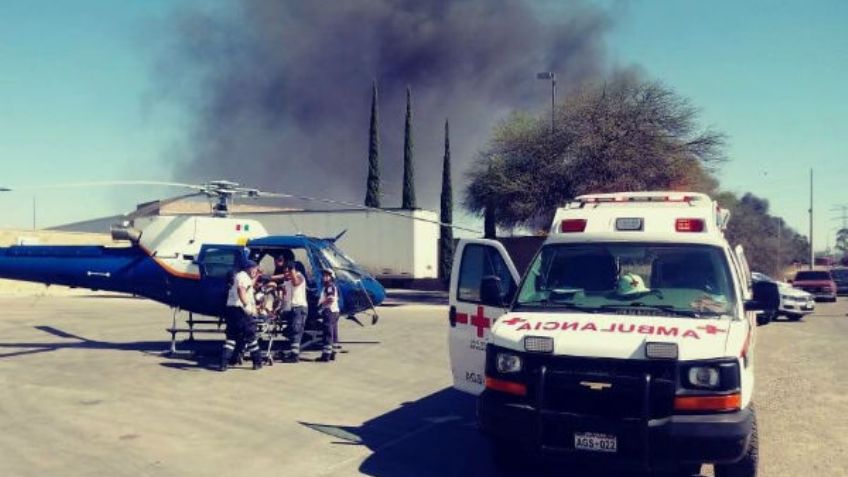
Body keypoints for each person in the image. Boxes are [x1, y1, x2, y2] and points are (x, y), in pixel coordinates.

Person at [221, 260, 263, 371]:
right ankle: (257, 361)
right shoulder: (243, 276)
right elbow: (242, 290)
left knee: (231, 338)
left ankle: (223, 363)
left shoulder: (240, 277)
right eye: (254, 268)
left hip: (231, 310)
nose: (255, 270)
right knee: (250, 336)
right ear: (248, 268)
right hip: (241, 310)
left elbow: (248, 285)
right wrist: (247, 306)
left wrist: (257, 276)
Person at [282, 262, 308, 363]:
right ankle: (293, 352)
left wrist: (292, 269)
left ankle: (294, 355)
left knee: (296, 330)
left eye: (288, 271)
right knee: (292, 330)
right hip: (292, 309)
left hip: (299, 308)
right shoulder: (287, 281)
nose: (286, 273)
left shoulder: (299, 277)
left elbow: (296, 282)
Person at [317, 268, 340, 362]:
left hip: (329, 311)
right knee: (334, 333)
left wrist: (321, 305)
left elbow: (330, 299)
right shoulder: (332, 286)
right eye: (324, 275)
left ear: (331, 277)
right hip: (335, 311)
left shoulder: (329, 287)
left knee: (328, 333)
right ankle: (333, 353)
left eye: (327, 276)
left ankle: (326, 355)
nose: (324, 277)